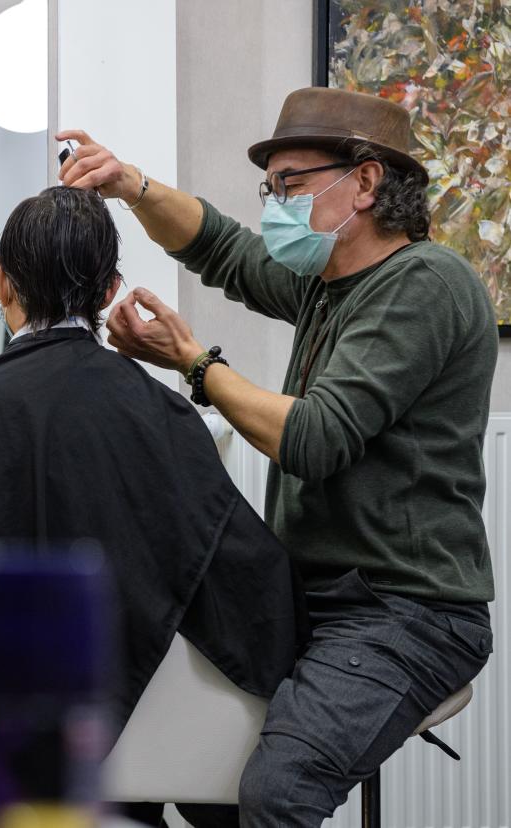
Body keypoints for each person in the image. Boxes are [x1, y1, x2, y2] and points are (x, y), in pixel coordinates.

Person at [40, 87, 494, 825]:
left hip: (405, 611)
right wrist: (130, 185)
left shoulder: (427, 286)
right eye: (270, 188)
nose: (274, 205)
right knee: (180, 762)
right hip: (314, 596)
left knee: (276, 793)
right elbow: (218, 245)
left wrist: (193, 363)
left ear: (367, 183)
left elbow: (315, 438)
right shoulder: (327, 285)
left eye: (292, 186)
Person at [0, 186, 305, 749]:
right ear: (111, 291)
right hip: (138, 723)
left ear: (5, 285)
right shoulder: (156, 408)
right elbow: (231, 559)